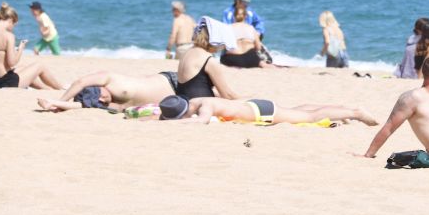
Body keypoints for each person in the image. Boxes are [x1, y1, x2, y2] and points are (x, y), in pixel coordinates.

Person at [0, 2, 63, 89]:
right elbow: (12, 62)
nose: (12, 28)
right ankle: (60, 89)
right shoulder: (8, 36)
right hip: (5, 83)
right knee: (39, 66)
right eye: (14, 24)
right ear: (10, 20)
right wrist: (21, 48)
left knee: (24, 69)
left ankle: (48, 90)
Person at [157, 94, 378, 126]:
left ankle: (355, 113)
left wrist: (173, 123)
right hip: (256, 106)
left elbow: (201, 121)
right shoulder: (197, 100)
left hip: (261, 113)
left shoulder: (205, 106)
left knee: (308, 117)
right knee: (298, 111)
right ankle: (341, 108)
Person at [37, 70, 179, 112]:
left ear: (98, 86)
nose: (103, 100)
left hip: (172, 80)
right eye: (98, 101)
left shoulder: (109, 79)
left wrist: (61, 100)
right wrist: (54, 104)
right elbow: (82, 105)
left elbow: (81, 82)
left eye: (100, 95)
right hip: (178, 97)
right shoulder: (106, 104)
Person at [176, 16, 240, 100]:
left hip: (183, 102)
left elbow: (195, 86)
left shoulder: (188, 52)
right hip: (200, 105)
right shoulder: (208, 60)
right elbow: (227, 95)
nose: (221, 48)